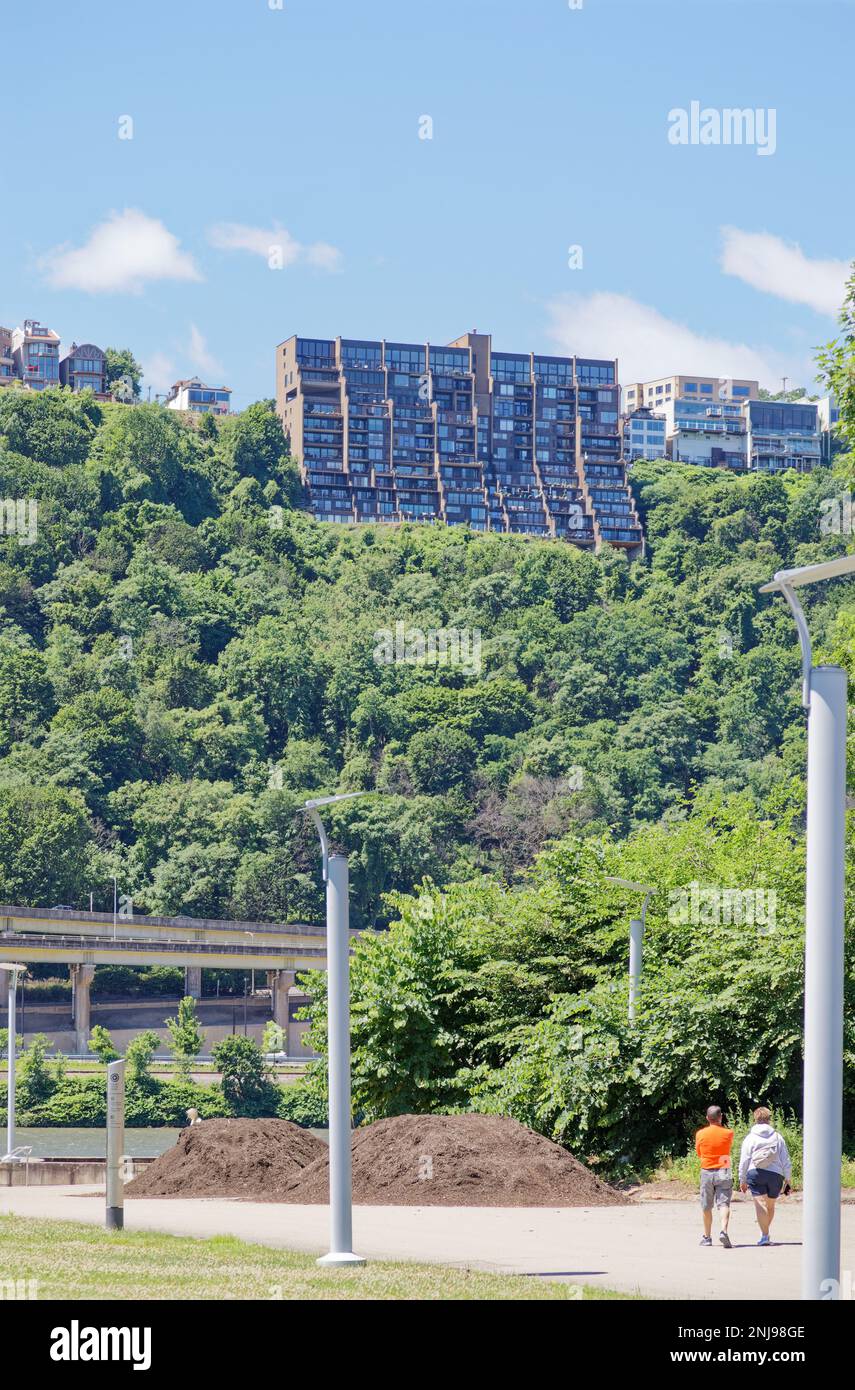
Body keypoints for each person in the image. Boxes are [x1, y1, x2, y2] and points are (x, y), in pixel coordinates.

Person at [738, 1106, 792, 1247]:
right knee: (770, 1206)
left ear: (755, 1119)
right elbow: (785, 1159)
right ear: (769, 1119)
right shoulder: (777, 1137)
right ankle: (764, 1233)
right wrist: (788, 1178)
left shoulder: (750, 1138)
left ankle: (765, 1235)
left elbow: (744, 1160)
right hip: (776, 1175)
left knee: (760, 1204)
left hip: (755, 1172)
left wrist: (742, 1179)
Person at [695, 1105, 735, 1248]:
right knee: (724, 1203)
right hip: (724, 1168)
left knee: (706, 1205)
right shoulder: (729, 1133)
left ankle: (707, 1237)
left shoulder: (700, 1134)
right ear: (721, 1117)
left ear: (707, 1118)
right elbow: (728, 1148)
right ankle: (723, 1231)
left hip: (707, 1169)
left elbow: (699, 1153)